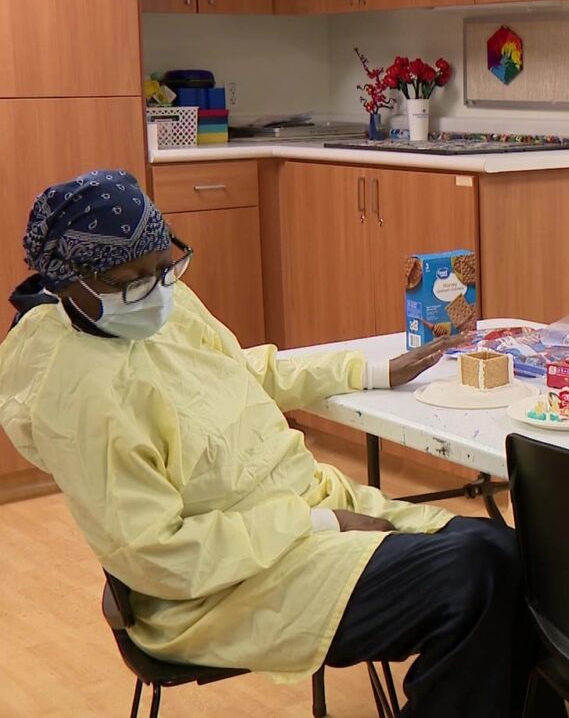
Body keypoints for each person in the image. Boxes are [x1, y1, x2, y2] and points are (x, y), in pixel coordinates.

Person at [0, 170, 541, 716]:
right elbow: (156, 556)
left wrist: (371, 370)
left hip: (296, 520)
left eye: (167, 266)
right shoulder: (78, 394)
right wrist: (320, 525)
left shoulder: (155, 305)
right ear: (71, 284)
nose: (159, 289)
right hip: (219, 589)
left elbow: (238, 370)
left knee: (523, 558)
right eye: (134, 278)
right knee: (478, 577)